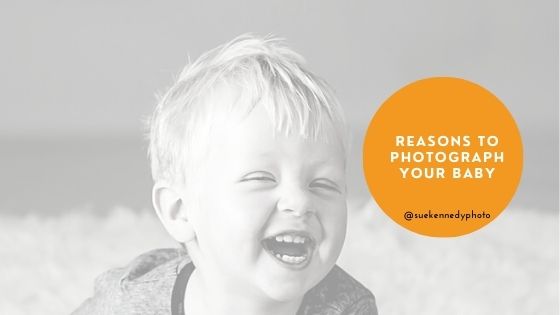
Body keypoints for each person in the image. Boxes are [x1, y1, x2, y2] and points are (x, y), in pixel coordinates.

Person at [73, 34, 378, 315]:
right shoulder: (131, 304)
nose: (300, 200)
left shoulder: (345, 307)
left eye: (323, 184)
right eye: (261, 178)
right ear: (180, 211)